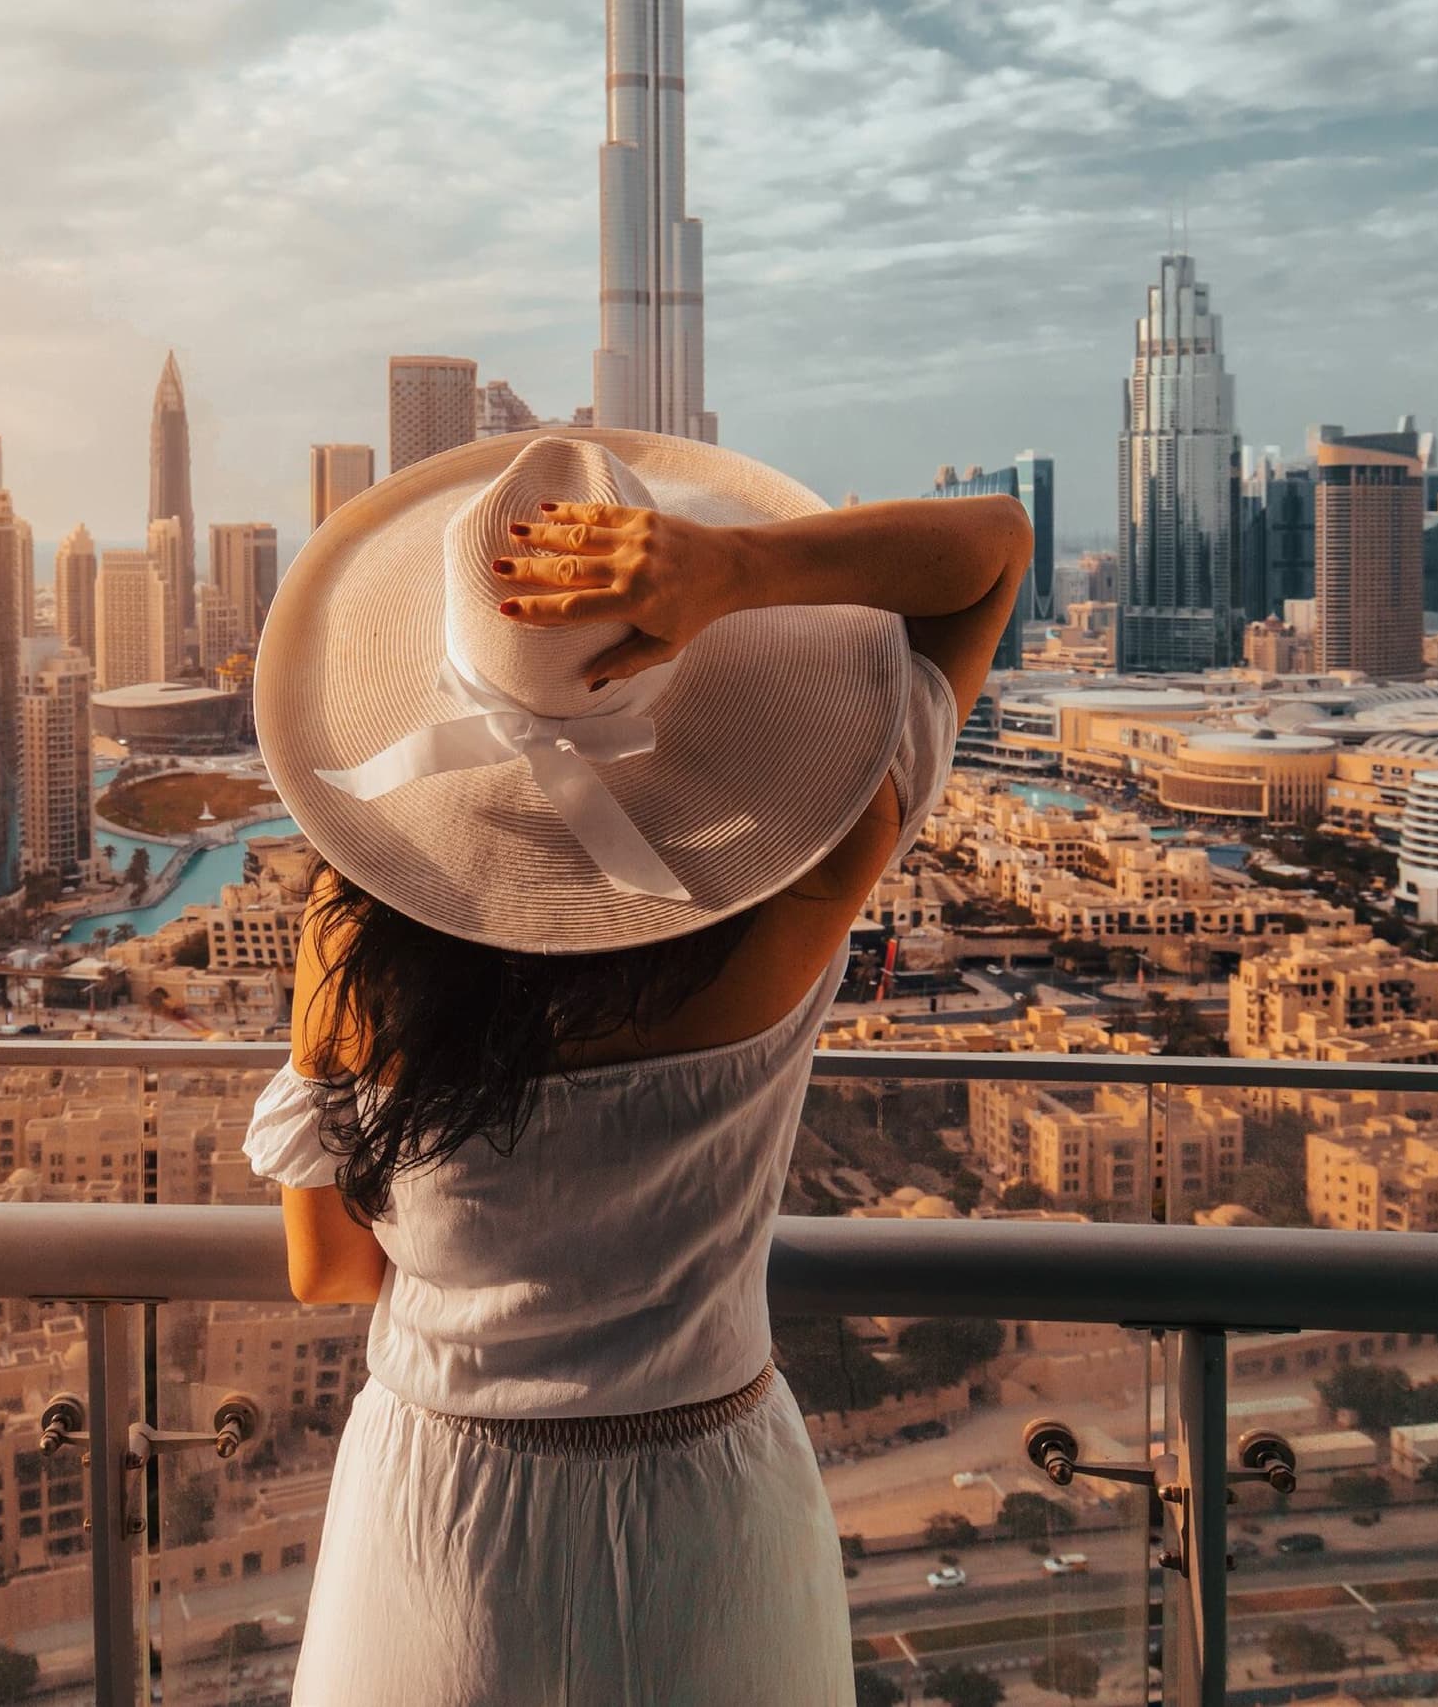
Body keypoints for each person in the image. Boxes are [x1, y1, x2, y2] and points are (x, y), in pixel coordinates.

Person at [242, 429, 1030, 1705]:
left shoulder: (353, 935)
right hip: (708, 1507)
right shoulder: (811, 874)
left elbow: (330, 1268)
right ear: (678, 651)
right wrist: (737, 568)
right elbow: (992, 551)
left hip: (438, 1525)